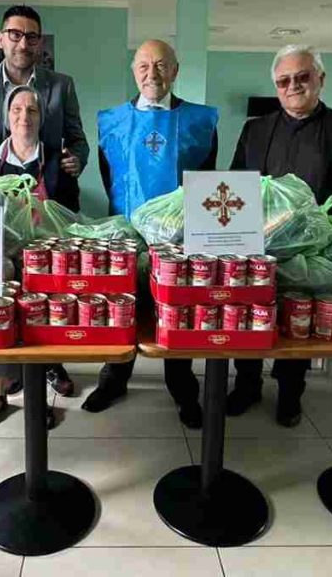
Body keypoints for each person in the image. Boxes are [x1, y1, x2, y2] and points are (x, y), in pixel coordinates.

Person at [227, 44, 332, 427]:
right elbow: (233, 181)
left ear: (320, 80)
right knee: (249, 316)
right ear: (276, 87)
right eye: (283, 81)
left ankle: (291, 394)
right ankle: (246, 385)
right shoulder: (255, 129)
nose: (293, 86)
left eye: (302, 77)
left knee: (299, 323)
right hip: (256, 246)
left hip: (314, 250)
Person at [82, 39, 219, 429]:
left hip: (181, 237)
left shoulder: (200, 121)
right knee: (121, 306)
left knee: (177, 308)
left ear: (176, 71)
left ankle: (182, 387)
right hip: (126, 231)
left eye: (161, 65)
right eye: (143, 66)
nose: (152, 74)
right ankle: (114, 379)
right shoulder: (111, 120)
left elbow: (206, 179)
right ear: (133, 71)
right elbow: (110, 179)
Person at [0, 4, 86, 398]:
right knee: (0, 291)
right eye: (14, 34)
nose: (22, 42)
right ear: (1, 39)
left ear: (40, 42)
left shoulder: (60, 84)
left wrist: (75, 160)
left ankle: (50, 364)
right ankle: (2, 383)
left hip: (44, 183)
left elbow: (77, 138)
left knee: (47, 287)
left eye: (31, 36)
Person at [0, 85, 79, 430]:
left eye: (32, 110)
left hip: (45, 260)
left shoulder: (59, 161)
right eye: (16, 109)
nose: (24, 117)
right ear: (6, 116)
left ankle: (40, 387)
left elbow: (72, 213)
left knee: (39, 320)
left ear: (41, 118)